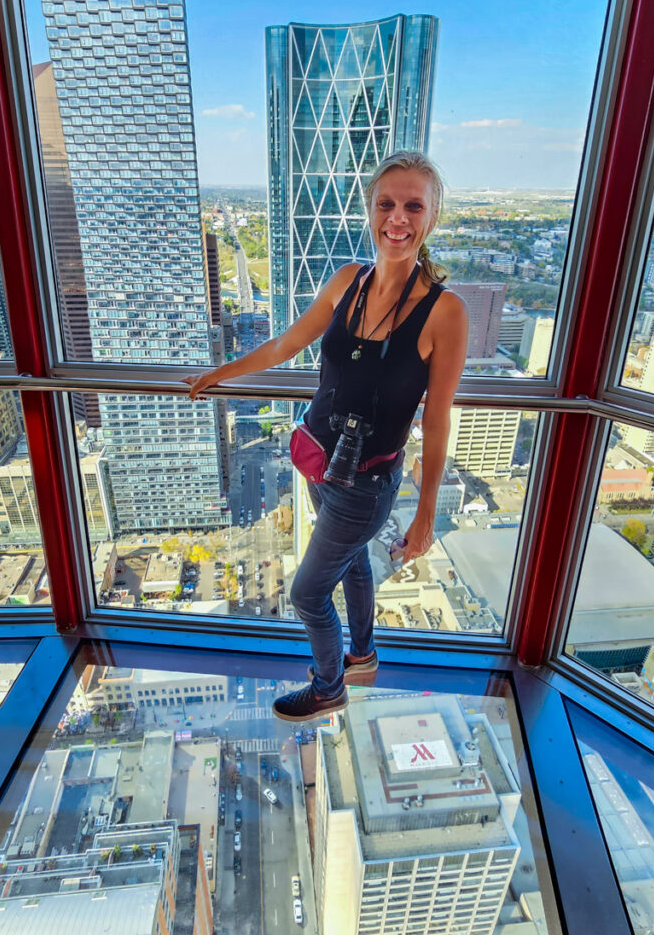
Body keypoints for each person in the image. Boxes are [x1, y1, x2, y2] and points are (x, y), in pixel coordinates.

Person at [186, 151, 468, 722]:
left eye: (414, 205)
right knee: (355, 564)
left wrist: (426, 514)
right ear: (371, 210)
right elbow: (284, 346)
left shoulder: (446, 312)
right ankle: (362, 654)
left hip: (367, 484)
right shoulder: (348, 282)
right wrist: (220, 373)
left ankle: (329, 684)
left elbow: (436, 419)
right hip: (319, 461)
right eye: (387, 203)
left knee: (307, 594)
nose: (398, 217)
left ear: (431, 218)